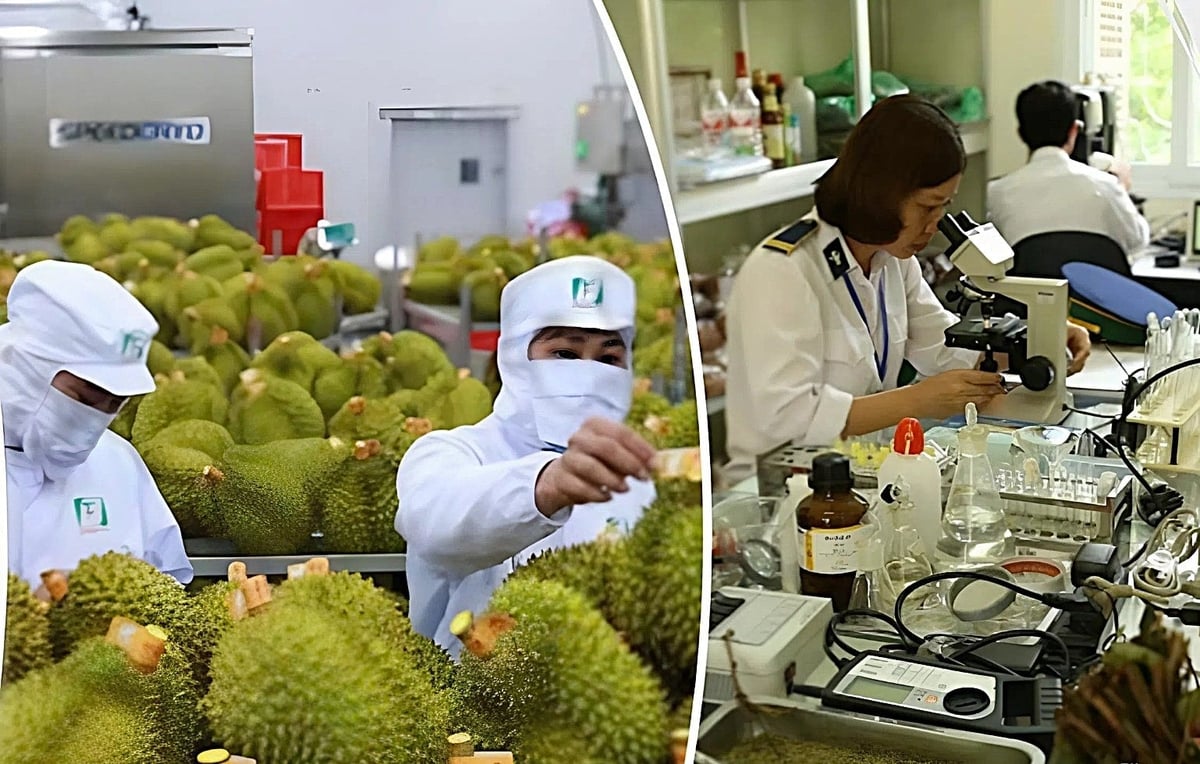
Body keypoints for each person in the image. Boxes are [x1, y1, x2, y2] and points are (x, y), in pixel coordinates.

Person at [722, 94, 1092, 483]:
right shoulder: (784, 269)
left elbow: (946, 347)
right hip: (777, 495)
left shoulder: (894, 262)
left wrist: (1038, 338)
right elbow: (787, 419)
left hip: (862, 477)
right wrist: (917, 401)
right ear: (881, 192)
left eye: (944, 208)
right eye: (927, 207)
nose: (934, 225)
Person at [395, 255, 657, 657]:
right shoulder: (449, 453)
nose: (588, 373)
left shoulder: (639, 477)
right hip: (461, 709)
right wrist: (545, 485)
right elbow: (434, 519)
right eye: (565, 354)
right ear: (515, 357)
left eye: (608, 359)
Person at [1, 260, 192, 591]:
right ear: (26, 367)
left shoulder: (119, 464)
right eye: (85, 400)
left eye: (114, 405)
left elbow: (166, 589)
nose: (96, 421)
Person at [988, 80, 1150, 258]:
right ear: (1074, 130)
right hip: (1091, 286)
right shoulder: (1106, 186)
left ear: (1020, 133)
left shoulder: (996, 194)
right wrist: (1123, 190)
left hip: (1029, 286)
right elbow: (1138, 242)